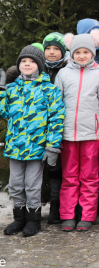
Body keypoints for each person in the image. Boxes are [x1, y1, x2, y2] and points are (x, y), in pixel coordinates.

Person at [1, 45, 65, 237]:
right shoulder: (12, 89)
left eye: (31, 61)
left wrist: (53, 146)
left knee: (32, 185)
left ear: (39, 65)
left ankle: (33, 220)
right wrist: (2, 90)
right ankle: (19, 218)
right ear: (19, 65)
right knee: (16, 184)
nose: (27, 64)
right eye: (23, 61)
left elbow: (56, 118)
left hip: (37, 148)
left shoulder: (49, 90)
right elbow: (2, 111)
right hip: (15, 147)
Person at [55, 32, 99, 232]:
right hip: (68, 133)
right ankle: (68, 215)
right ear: (72, 53)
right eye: (77, 52)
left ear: (92, 53)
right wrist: (55, 132)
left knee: (89, 176)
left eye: (86, 52)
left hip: (91, 134)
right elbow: (56, 104)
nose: (81, 55)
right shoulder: (63, 74)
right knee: (69, 176)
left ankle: (87, 215)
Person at [41, 32, 69, 224]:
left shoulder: (67, 69)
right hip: (39, 125)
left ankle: (56, 206)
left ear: (63, 52)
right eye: (48, 48)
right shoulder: (37, 68)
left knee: (57, 168)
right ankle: (34, 206)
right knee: (41, 169)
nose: (51, 52)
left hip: (60, 124)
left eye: (56, 49)